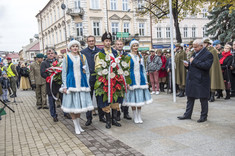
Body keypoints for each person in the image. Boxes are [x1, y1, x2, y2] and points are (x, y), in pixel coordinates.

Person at [61, 40, 94, 134]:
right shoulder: (66, 57)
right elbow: (64, 72)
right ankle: (76, 126)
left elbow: (87, 71)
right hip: (71, 83)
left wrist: (87, 83)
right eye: (73, 46)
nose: (75, 48)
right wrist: (65, 85)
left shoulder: (82, 57)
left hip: (82, 83)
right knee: (73, 105)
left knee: (79, 105)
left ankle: (79, 125)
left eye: (76, 46)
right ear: (70, 48)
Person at [177, 39, 213, 123]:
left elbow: (206, 66)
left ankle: (203, 116)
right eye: (193, 47)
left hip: (201, 80)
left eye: (196, 47)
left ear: (201, 46)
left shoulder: (208, 54)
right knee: (190, 97)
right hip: (192, 78)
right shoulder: (195, 53)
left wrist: (194, 61)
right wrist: (187, 65)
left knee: (203, 98)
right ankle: (187, 114)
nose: (194, 48)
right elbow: (192, 65)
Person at [95, 32, 122, 129]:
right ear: (103, 42)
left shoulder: (115, 53)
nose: (108, 43)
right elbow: (97, 67)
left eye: (109, 41)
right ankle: (108, 121)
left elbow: (119, 65)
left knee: (115, 100)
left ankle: (114, 119)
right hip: (105, 81)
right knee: (106, 101)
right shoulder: (100, 54)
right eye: (106, 41)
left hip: (115, 80)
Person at [123, 39, 152, 124]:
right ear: (131, 47)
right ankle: (135, 116)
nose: (135, 47)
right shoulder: (128, 56)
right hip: (132, 80)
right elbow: (126, 70)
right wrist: (127, 81)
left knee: (140, 99)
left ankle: (139, 115)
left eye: (136, 46)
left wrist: (146, 80)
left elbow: (143, 69)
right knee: (133, 99)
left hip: (141, 79)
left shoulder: (140, 56)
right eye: (134, 46)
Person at [81, 35, 105, 126]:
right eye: (89, 41)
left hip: (98, 78)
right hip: (88, 79)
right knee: (88, 99)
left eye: (92, 41)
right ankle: (89, 118)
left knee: (100, 98)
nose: (91, 42)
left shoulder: (100, 51)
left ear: (95, 41)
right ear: (87, 42)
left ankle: (101, 116)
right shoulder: (83, 52)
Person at [40, 49, 62, 122]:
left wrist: (59, 77)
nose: (50, 54)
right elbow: (42, 73)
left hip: (59, 83)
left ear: (54, 54)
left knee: (63, 98)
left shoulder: (58, 62)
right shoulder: (44, 63)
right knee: (51, 100)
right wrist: (49, 77)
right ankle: (54, 115)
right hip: (50, 84)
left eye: (52, 53)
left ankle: (66, 113)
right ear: (46, 55)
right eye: (49, 53)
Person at [114, 40, 132, 120]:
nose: (119, 46)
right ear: (115, 46)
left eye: (121, 44)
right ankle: (117, 113)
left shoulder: (126, 55)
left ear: (123, 45)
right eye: (118, 44)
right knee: (117, 97)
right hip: (116, 79)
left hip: (125, 78)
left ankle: (126, 112)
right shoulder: (113, 55)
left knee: (125, 96)